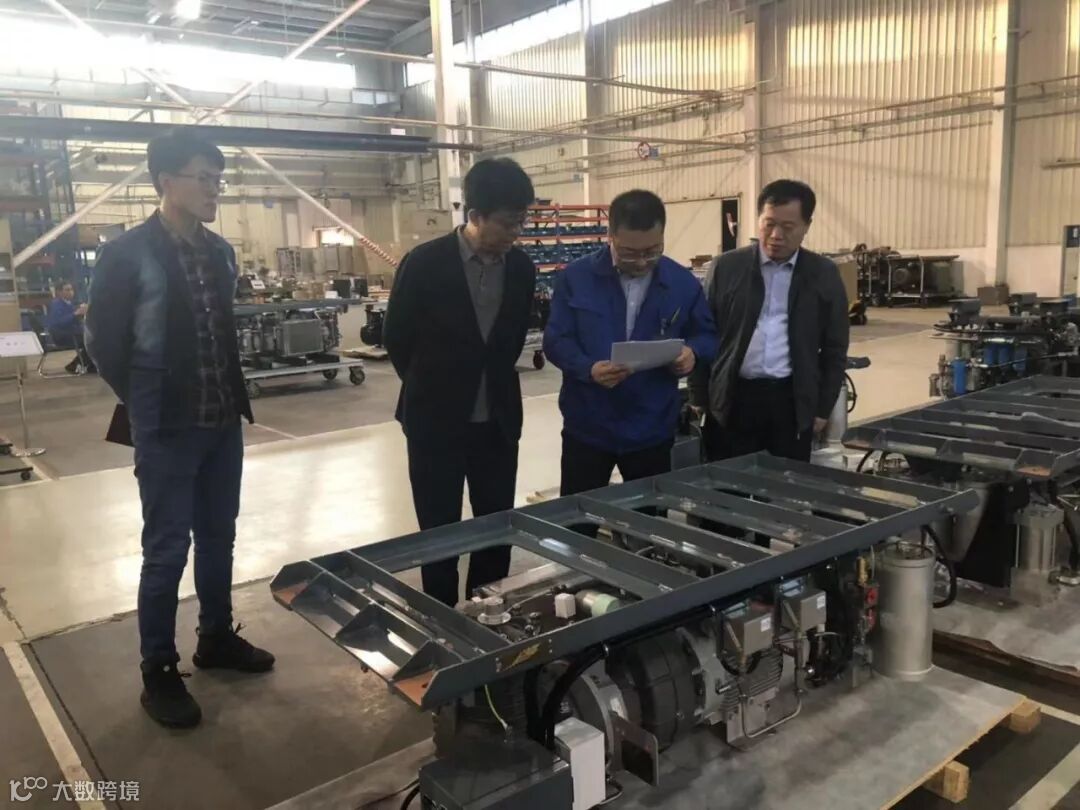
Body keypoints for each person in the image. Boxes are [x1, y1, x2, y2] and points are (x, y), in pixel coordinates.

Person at [86, 131, 272, 730]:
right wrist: (146, 400)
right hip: (167, 426)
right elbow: (102, 343)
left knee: (219, 537)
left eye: (219, 179)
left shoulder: (221, 252)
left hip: (221, 422)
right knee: (166, 550)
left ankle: (215, 637)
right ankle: (158, 669)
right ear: (166, 181)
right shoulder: (127, 254)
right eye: (204, 178)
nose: (214, 189)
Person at [384, 158, 537, 608]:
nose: (515, 233)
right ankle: (440, 618)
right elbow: (397, 338)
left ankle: (488, 613)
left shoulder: (521, 268)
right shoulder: (425, 264)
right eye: (507, 223)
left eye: (521, 222)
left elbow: (512, 337)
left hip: (497, 425)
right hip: (435, 425)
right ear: (475, 215)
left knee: (496, 529)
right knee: (439, 533)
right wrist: (435, 387)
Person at [544, 190, 717, 496]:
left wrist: (693, 353)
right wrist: (588, 369)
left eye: (652, 251)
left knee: (648, 517)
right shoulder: (576, 278)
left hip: (651, 427)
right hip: (588, 425)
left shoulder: (682, 283)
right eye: (629, 252)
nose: (641, 261)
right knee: (577, 516)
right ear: (610, 236)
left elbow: (707, 335)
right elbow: (556, 339)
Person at [692, 179, 849, 464]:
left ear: (807, 226)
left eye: (788, 227)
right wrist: (699, 395)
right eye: (769, 224)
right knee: (726, 482)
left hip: (790, 401)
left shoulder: (823, 274)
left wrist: (822, 408)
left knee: (785, 483)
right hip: (733, 398)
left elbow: (835, 347)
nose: (776, 235)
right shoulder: (727, 267)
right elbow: (703, 332)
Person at [46, 282, 94, 374]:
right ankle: (77, 365)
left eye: (71, 289)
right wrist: (76, 314)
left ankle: (84, 364)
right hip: (63, 335)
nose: (71, 292)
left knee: (93, 338)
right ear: (59, 292)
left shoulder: (69, 304)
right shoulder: (56, 305)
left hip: (72, 333)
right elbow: (58, 323)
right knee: (92, 340)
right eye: (67, 290)